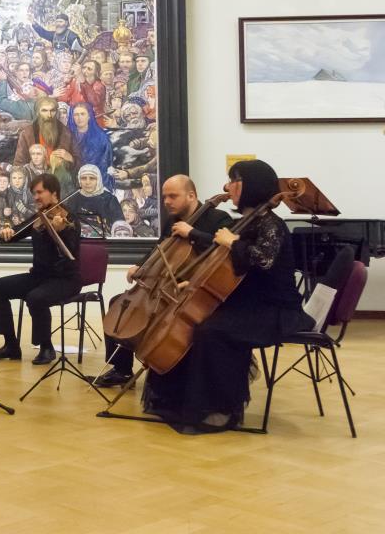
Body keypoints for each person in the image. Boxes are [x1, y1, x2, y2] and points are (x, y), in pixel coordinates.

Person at [141, 160, 313, 433]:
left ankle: (223, 410)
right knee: (195, 325)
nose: (227, 186)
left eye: (234, 180)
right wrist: (194, 284)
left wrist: (233, 242)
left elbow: (264, 261)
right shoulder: (245, 222)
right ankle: (176, 400)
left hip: (275, 310)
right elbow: (224, 266)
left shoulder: (272, 224)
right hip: (248, 303)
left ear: (252, 186)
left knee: (213, 332)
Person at [91, 174, 232, 388]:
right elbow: (159, 248)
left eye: (173, 196)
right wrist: (140, 265)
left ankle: (165, 367)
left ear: (191, 195)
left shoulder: (218, 218)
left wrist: (192, 233)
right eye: (165, 196)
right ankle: (121, 370)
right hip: (165, 286)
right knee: (119, 304)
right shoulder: (173, 220)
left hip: (193, 289)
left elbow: (222, 251)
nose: (166, 201)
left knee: (155, 315)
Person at [0, 174, 81, 365]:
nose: (35, 197)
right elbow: (16, 233)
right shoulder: (39, 217)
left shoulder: (69, 218)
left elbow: (71, 252)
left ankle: (46, 347)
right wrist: (5, 233)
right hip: (39, 276)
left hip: (65, 279)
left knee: (35, 298)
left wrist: (61, 232)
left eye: (39, 192)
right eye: (33, 193)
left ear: (54, 193)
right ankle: (11, 345)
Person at [68, 164, 123, 237]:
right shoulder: (73, 199)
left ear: (98, 179)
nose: (87, 182)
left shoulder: (109, 199)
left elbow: (120, 225)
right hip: (79, 240)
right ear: (79, 180)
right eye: (83, 178)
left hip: (105, 241)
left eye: (92, 178)